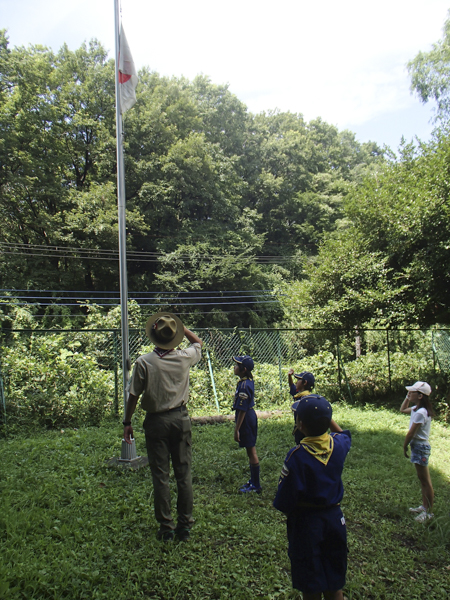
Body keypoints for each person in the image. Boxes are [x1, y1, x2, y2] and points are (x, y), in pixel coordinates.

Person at [123, 312, 203, 542]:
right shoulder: (185, 357)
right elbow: (197, 343)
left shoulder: (144, 362)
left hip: (156, 422)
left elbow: (133, 395)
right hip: (181, 419)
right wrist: (182, 327)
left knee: (161, 476)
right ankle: (185, 526)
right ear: (174, 337)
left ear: (154, 335)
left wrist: (127, 422)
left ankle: (166, 528)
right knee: (183, 474)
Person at [273, 394, 351, 600]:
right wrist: (327, 417)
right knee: (334, 580)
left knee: (311, 583)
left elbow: (284, 500)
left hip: (306, 523)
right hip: (335, 519)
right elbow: (344, 435)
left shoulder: (296, 456)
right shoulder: (339, 446)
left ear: (300, 424)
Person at [400, 381, 434, 522]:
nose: (409, 393)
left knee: (426, 481)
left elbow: (411, 433)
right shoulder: (416, 409)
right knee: (422, 480)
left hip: (420, 447)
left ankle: (428, 512)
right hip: (417, 447)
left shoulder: (421, 413)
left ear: (420, 396)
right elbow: (402, 409)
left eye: (412, 392)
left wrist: (405, 445)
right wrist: (407, 397)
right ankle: (424, 507)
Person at [232, 355, 261, 494]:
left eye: (237, 365)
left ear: (243, 369)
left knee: (251, 451)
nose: (234, 367)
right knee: (250, 451)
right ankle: (253, 481)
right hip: (248, 416)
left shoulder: (244, 385)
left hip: (246, 419)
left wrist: (237, 429)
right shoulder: (246, 381)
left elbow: (242, 409)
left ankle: (256, 485)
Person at [288, 370, 316, 444]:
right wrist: (289, 376)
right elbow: (292, 386)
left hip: (304, 431)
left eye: (298, 380)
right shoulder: (299, 394)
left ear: (305, 382)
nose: (296, 382)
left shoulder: (306, 400)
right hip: (299, 429)